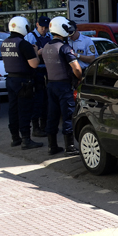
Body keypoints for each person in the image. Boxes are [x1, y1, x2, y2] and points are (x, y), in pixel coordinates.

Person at [0, 16, 44, 150]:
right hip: (23, 81)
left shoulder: (4, 42)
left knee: (13, 110)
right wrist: (36, 52)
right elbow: (34, 64)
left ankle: (15, 138)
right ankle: (26, 140)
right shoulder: (23, 44)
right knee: (24, 110)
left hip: (10, 80)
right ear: (23, 27)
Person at [42, 17, 82, 155]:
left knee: (52, 116)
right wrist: (80, 78)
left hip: (51, 85)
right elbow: (76, 68)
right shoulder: (64, 47)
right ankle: (69, 146)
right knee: (68, 116)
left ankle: (52, 146)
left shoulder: (47, 46)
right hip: (64, 86)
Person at [24, 15, 51, 138]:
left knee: (46, 101)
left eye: (46, 27)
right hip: (36, 73)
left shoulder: (50, 36)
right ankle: (36, 127)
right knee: (37, 101)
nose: (44, 30)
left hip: (48, 71)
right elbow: (26, 55)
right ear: (37, 25)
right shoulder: (30, 37)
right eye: (42, 27)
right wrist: (38, 52)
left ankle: (44, 126)